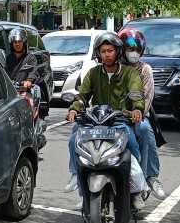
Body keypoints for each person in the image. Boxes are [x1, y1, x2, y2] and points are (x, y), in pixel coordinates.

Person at [64, 33, 144, 200]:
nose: (107, 54)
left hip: (119, 120)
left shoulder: (129, 73)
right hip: (95, 121)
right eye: (103, 51)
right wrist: (74, 109)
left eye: (111, 50)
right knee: (74, 139)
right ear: (98, 54)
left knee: (133, 142)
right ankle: (76, 176)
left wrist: (137, 109)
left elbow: (136, 92)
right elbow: (82, 95)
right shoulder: (93, 73)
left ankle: (136, 185)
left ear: (118, 52)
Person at [117, 28, 166, 199]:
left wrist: (135, 113)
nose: (134, 53)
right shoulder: (113, 67)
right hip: (112, 116)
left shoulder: (145, 69)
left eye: (137, 50)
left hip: (137, 115)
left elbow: (147, 97)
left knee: (144, 130)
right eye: (130, 49)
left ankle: (148, 177)